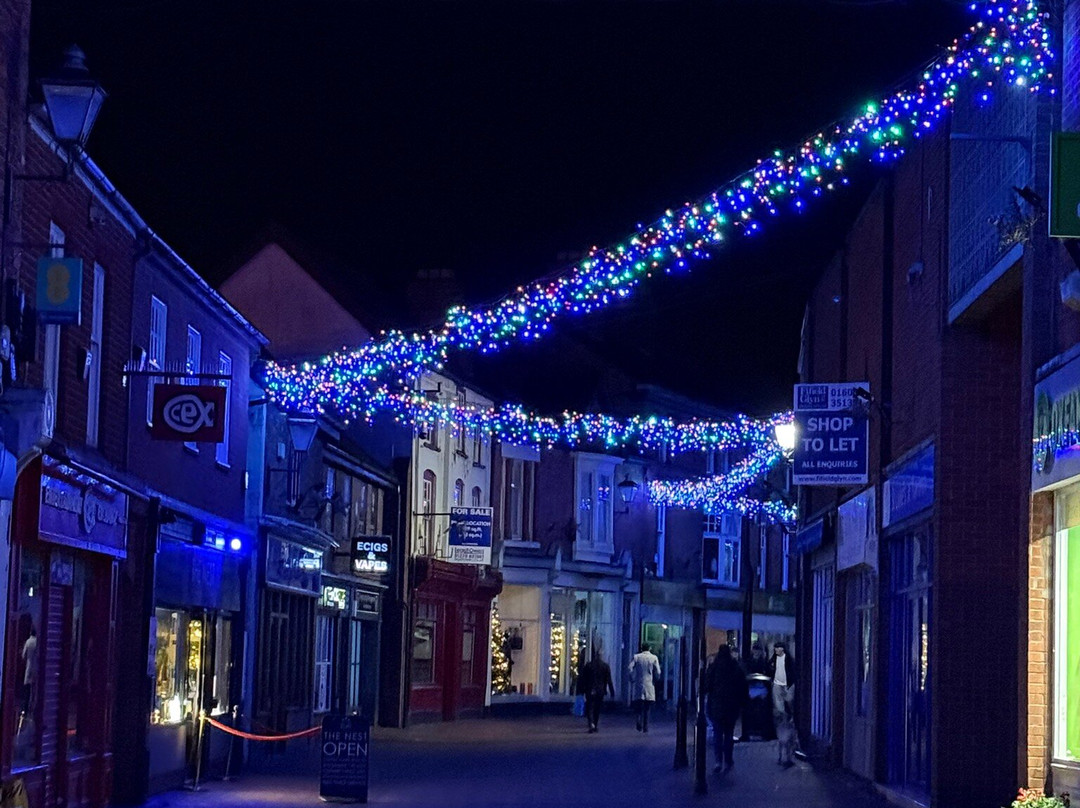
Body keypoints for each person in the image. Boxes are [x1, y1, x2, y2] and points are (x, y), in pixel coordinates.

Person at [706, 643, 748, 773]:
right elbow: (743, 687)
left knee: (717, 734)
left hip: (717, 705)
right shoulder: (735, 667)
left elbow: (707, 686)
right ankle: (728, 760)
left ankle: (718, 761)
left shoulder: (714, 667)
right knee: (729, 734)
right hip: (732, 706)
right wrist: (743, 703)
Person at [768, 641, 798, 766]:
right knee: (781, 710)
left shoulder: (787, 661)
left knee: (786, 707)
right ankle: (785, 754)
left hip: (786, 686)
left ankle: (786, 753)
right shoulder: (774, 661)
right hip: (779, 686)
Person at [628, 642, 662, 732]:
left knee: (639, 705)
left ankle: (638, 720)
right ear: (649, 648)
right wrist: (656, 679)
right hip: (649, 684)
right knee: (647, 707)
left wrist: (632, 678)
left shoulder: (636, 657)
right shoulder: (654, 658)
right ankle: (645, 726)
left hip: (639, 684)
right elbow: (658, 672)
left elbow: (630, 668)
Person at [578, 651, 614, 733]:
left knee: (590, 707)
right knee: (597, 708)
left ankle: (591, 723)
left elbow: (583, 678)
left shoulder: (589, 665)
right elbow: (608, 680)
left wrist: (581, 689)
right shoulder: (605, 666)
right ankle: (595, 724)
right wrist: (612, 691)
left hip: (590, 689)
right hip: (600, 690)